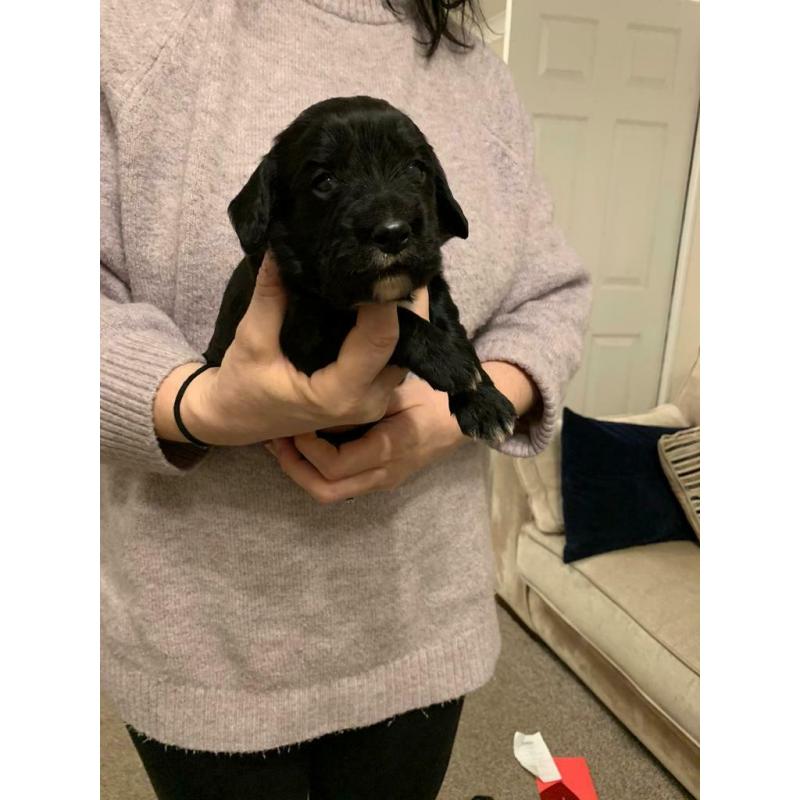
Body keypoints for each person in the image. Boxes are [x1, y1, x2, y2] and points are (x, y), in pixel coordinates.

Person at [100, 0, 591, 797]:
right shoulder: (131, 31)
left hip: (419, 626)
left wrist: (469, 397)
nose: (393, 210)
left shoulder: (476, 69)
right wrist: (198, 406)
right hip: (210, 642)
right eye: (327, 180)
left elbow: (550, 297)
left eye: (413, 179)